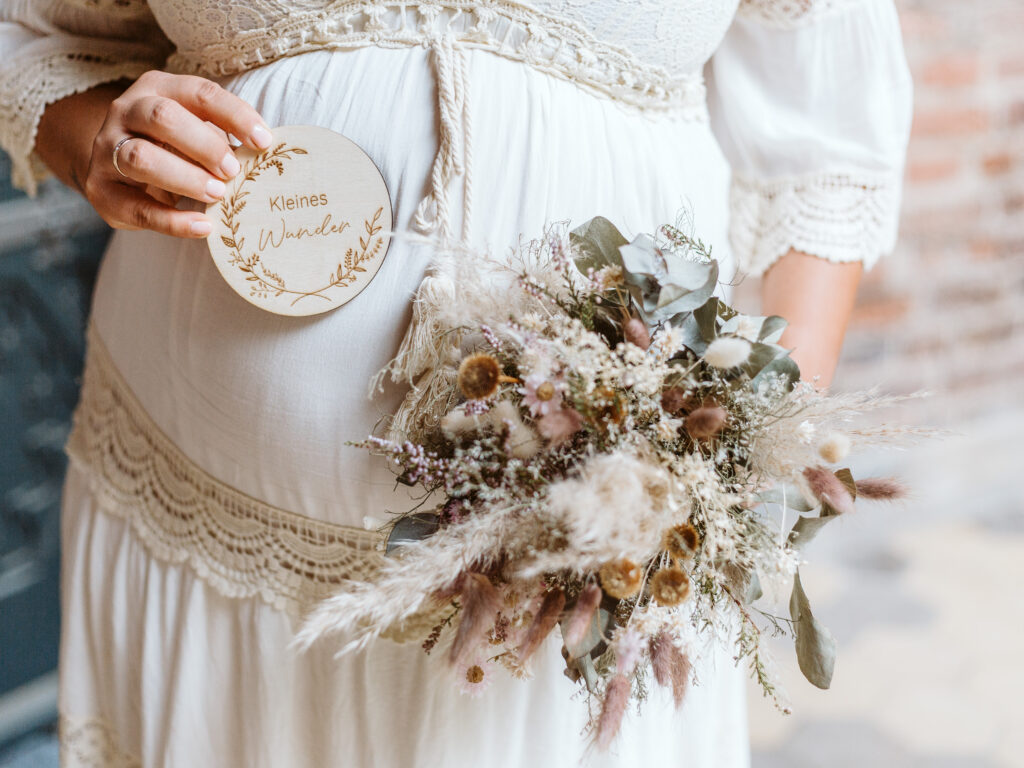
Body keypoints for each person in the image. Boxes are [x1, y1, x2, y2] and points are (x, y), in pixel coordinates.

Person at [0, 1, 912, 765]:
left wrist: (740, 471)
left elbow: (826, 144)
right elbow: (36, 29)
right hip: (202, 528)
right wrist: (91, 139)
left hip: (582, 585)